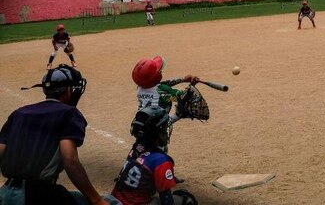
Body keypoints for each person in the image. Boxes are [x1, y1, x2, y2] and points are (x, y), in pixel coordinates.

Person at [0, 65, 110, 205]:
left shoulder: (18, 113)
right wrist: (97, 200)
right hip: (37, 195)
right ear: (69, 90)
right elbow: (70, 160)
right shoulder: (69, 113)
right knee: (110, 201)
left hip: (5, 194)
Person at [111, 106, 196, 205]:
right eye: (164, 127)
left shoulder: (137, 146)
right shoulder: (160, 160)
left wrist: (177, 115)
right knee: (185, 200)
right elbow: (166, 198)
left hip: (116, 200)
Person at [132, 56, 199, 127]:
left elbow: (161, 84)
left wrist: (182, 79)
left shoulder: (140, 87)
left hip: (140, 124)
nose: (161, 72)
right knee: (182, 109)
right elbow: (183, 96)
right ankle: (175, 117)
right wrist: (192, 85)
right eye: (160, 71)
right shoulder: (162, 90)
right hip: (157, 128)